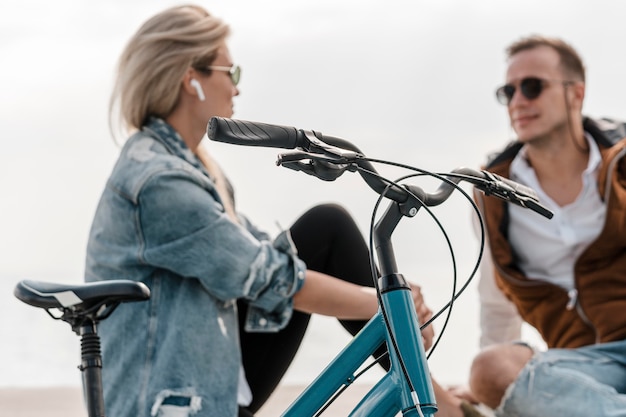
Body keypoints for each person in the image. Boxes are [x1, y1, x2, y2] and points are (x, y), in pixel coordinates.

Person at [84, 5, 483, 417]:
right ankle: (442, 405)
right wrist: (385, 305)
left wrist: (388, 305)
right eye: (231, 72)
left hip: (212, 378)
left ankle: (435, 398)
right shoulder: (159, 181)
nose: (237, 89)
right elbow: (268, 277)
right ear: (192, 77)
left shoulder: (189, 165)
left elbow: (260, 250)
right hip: (168, 403)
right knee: (326, 237)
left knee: (327, 228)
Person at [467, 34, 626, 416]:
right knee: (488, 369)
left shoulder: (621, 165)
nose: (518, 101)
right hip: (578, 369)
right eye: (509, 91)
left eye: (533, 87)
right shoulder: (491, 194)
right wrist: (494, 397)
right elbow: (496, 305)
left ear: (576, 93)